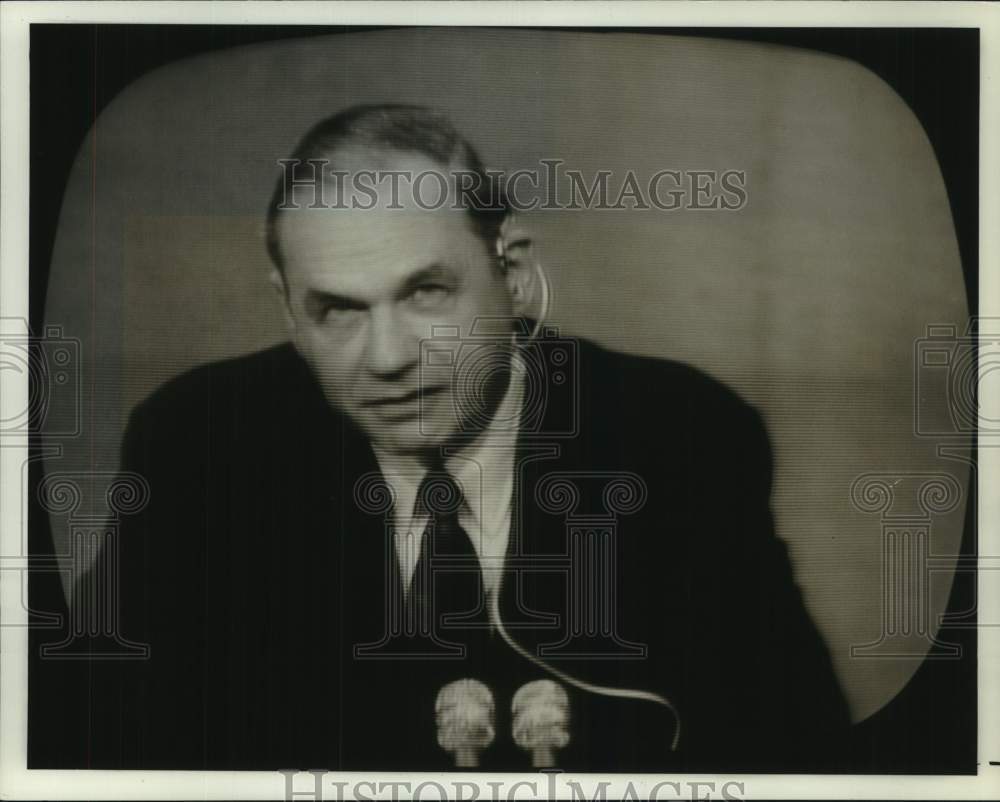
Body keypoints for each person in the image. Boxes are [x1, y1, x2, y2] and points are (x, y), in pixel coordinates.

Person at [40, 104, 850, 772]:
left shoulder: (683, 434)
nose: (386, 359)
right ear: (289, 311)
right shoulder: (196, 443)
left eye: (426, 292)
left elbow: (795, 752)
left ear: (513, 273)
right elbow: (93, 749)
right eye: (338, 311)